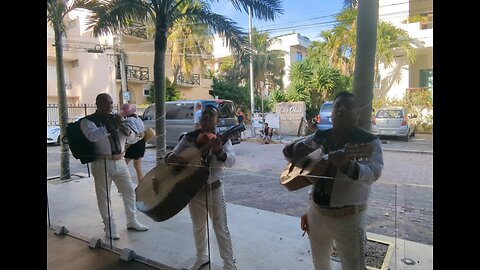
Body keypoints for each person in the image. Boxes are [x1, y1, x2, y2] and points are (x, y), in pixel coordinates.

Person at [282, 91, 383, 270]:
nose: (342, 109)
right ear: (332, 112)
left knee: (354, 267)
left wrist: (347, 166)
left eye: (348, 106)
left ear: (357, 113)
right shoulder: (320, 136)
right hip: (317, 215)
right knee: (320, 264)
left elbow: (374, 172)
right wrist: (297, 147)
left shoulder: (368, 141)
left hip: (349, 219)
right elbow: (289, 153)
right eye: (338, 106)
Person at [166, 105, 238, 270]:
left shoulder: (221, 139)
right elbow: (173, 154)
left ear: (217, 120)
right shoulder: (189, 138)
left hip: (215, 189)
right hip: (193, 191)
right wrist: (172, 158)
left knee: (221, 228)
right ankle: (201, 257)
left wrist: (219, 151)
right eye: (204, 114)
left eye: (211, 115)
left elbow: (232, 161)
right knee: (198, 227)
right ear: (200, 118)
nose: (206, 117)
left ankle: (229, 264)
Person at [80, 93, 148, 240]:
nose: (110, 106)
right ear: (97, 104)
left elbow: (131, 138)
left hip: (120, 161)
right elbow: (93, 136)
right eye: (106, 103)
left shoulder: (117, 119)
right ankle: (109, 227)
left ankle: (132, 221)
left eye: (111, 103)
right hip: (101, 163)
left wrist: (124, 126)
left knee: (129, 191)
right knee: (104, 197)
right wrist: (111, 127)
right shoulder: (88, 121)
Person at [119, 103, 146, 184]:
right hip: (141, 142)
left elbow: (130, 135)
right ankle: (142, 185)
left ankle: (123, 185)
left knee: (124, 165)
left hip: (133, 143)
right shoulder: (139, 119)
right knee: (138, 166)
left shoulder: (127, 121)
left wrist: (126, 145)